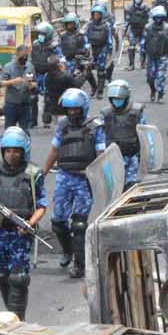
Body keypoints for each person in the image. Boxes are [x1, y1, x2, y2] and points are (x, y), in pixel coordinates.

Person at [0, 127, 47, 317]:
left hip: (20, 234)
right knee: (0, 275)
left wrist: (31, 223)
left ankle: (17, 319)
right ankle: (10, 313)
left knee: (18, 278)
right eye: (8, 151)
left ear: (23, 151)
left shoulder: (33, 174)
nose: (11, 155)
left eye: (16, 151)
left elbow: (42, 205)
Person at [42, 88, 107, 280]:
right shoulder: (62, 126)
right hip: (64, 177)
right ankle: (67, 251)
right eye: (69, 109)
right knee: (58, 221)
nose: (72, 113)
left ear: (83, 108)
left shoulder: (96, 127)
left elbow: (101, 155)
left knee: (78, 225)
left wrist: (99, 179)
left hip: (84, 179)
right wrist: (42, 173)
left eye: (75, 109)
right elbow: (54, 150)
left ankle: (79, 264)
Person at [102, 78, 149, 185]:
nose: (116, 101)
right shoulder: (105, 114)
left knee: (131, 186)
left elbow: (144, 136)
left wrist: (145, 158)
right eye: (114, 99)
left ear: (126, 97)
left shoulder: (136, 112)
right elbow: (100, 137)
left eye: (119, 99)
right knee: (115, 186)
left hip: (132, 156)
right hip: (113, 157)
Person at [28, 22, 61, 121]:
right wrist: (29, 75)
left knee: (48, 98)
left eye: (42, 34)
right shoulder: (35, 44)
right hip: (36, 73)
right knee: (32, 97)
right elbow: (30, 59)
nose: (40, 36)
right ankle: (32, 120)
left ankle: (47, 117)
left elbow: (60, 61)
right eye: (39, 34)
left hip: (49, 74)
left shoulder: (54, 46)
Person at [0, 45, 35, 131]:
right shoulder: (8, 67)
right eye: (22, 56)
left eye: (26, 56)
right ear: (17, 55)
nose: (24, 58)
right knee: (9, 130)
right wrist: (12, 81)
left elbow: (34, 80)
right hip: (12, 104)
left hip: (25, 104)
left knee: (25, 131)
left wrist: (32, 85)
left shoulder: (30, 66)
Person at [143, 5, 168, 101]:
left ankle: (160, 94)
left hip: (163, 55)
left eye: (160, 17)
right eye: (157, 17)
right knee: (150, 76)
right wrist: (142, 52)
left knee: (161, 76)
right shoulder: (148, 27)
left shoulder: (167, 28)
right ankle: (153, 90)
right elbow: (144, 41)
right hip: (151, 55)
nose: (158, 19)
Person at [84, 4, 113, 87]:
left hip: (102, 48)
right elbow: (85, 35)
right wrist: (86, 45)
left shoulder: (106, 25)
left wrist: (109, 49)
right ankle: (94, 86)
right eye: (94, 14)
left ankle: (100, 89)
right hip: (92, 48)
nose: (96, 16)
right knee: (88, 69)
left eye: (98, 14)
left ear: (101, 15)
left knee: (101, 70)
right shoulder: (89, 25)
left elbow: (109, 38)